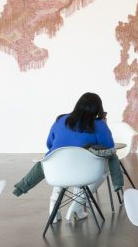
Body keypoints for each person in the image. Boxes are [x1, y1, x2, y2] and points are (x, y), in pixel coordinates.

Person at [12, 93, 126, 223]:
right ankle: (77, 206)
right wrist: (103, 124)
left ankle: (54, 211)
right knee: (104, 168)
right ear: (98, 109)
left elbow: (49, 144)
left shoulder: (60, 120)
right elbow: (109, 146)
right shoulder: (99, 124)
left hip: (56, 172)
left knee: (60, 162)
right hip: (85, 172)